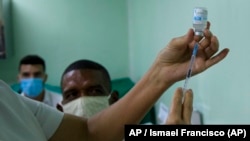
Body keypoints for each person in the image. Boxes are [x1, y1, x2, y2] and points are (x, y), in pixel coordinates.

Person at [0, 24, 229, 141]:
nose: (84, 101)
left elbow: (89, 134)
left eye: (94, 90)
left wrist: (161, 74)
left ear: (114, 98)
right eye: (72, 95)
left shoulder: (7, 101)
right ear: (60, 107)